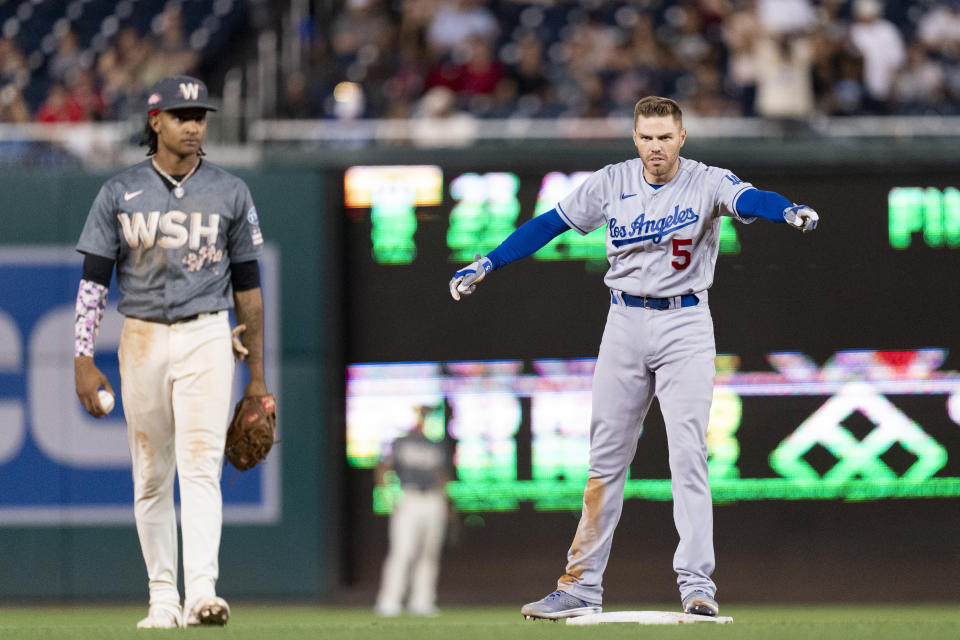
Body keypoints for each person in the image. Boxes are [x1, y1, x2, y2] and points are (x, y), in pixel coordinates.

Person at [448, 96, 818, 619]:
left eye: (665, 137)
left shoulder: (706, 180)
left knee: (688, 454)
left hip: (686, 321)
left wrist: (786, 210)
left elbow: (752, 199)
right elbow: (549, 223)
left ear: (682, 138)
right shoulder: (612, 181)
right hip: (623, 320)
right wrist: (489, 260)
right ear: (635, 138)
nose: (655, 147)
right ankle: (580, 586)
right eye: (646, 136)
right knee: (605, 459)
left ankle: (697, 584)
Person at [73, 75, 271, 629]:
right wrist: (82, 355)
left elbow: (249, 290)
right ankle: (162, 597)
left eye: (200, 115)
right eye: (182, 114)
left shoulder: (230, 190)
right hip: (140, 335)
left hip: (208, 331)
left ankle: (202, 592)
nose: (193, 125)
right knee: (152, 473)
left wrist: (257, 376)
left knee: (202, 465)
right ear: (154, 121)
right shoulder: (119, 190)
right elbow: (94, 280)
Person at [374, 406, 454, 617]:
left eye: (427, 417)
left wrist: (447, 503)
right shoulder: (400, 442)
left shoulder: (436, 445)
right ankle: (389, 600)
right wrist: (387, 495)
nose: (423, 421)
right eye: (421, 416)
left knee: (429, 552)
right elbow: (383, 467)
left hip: (433, 499)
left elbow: (442, 475)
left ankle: (423, 601)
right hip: (409, 497)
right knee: (403, 550)